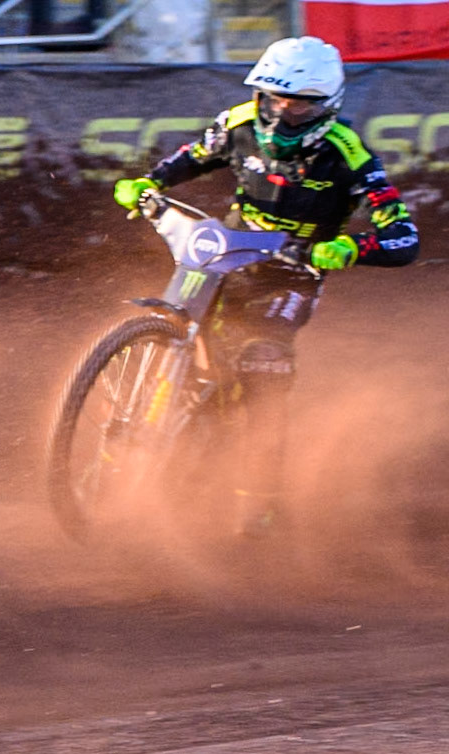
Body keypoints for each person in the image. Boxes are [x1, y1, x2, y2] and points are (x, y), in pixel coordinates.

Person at [112, 38, 417, 535]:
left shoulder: (350, 155)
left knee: (261, 365)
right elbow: (192, 157)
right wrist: (147, 184)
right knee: (172, 326)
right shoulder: (238, 123)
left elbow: (403, 237)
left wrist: (349, 248)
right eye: (272, 97)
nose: (281, 111)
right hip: (224, 253)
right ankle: (128, 441)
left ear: (326, 105)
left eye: (297, 102)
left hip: (289, 276)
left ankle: (258, 497)